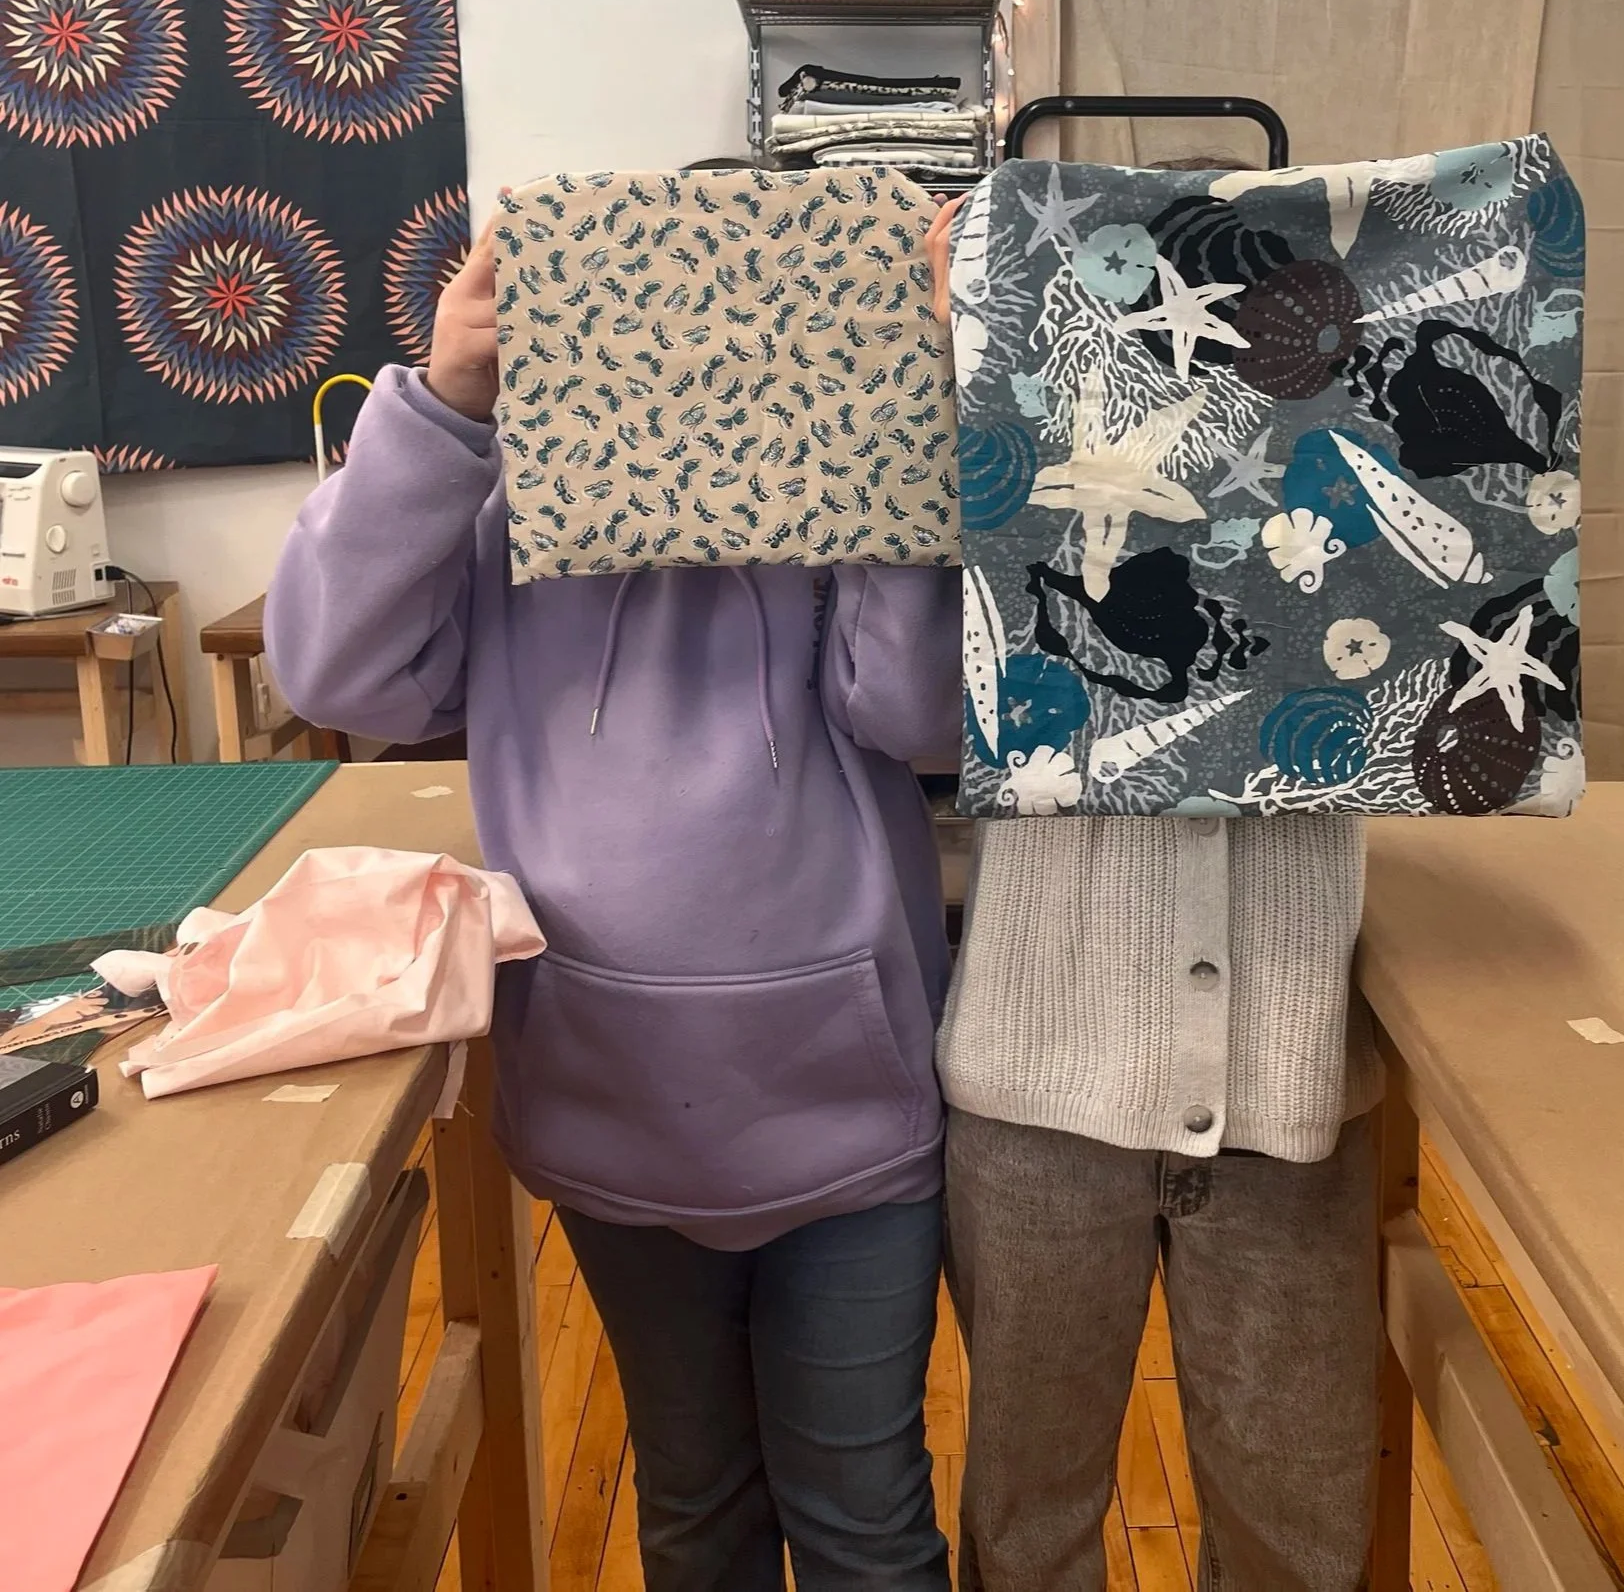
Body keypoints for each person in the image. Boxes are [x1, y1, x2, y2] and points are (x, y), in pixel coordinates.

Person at [266, 169, 960, 1592]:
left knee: (863, 1516)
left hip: (847, 1105)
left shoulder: (832, 501)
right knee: (694, 1499)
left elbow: (920, 714)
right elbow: (337, 675)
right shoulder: (506, 505)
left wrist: (901, 431)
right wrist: (446, 406)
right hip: (613, 1095)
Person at [926, 170, 1382, 1592]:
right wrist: (949, 353)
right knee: (1028, 1512)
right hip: (1036, 1082)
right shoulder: (994, 451)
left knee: (1299, 1518)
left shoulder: (1325, 470)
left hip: (1287, 1083)